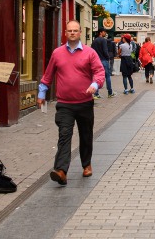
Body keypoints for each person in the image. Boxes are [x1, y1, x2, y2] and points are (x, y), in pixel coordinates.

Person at [37, 20, 105, 186]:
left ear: (80, 32)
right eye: (70, 30)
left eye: (75, 30)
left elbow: (99, 72)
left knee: (86, 135)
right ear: (65, 33)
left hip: (85, 103)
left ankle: (86, 164)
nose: (73, 33)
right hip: (65, 104)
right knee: (64, 135)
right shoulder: (57, 53)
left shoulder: (90, 53)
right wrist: (42, 93)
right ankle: (61, 170)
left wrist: (95, 85)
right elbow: (48, 75)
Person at [90, 28, 116, 98]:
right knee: (107, 76)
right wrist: (107, 58)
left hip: (96, 61)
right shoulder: (103, 40)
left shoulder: (94, 41)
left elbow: (92, 51)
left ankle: (96, 94)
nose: (105, 33)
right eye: (104, 32)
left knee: (96, 77)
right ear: (100, 33)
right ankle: (110, 93)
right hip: (104, 60)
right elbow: (105, 50)